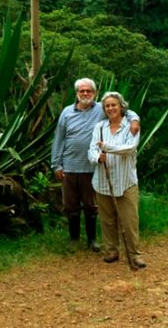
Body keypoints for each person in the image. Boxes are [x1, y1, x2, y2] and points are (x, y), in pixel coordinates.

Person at [51, 79, 140, 252]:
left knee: (91, 206)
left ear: (95, 93)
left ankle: (92, 240)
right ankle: (74, 239)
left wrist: (135, 120)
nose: (85, 94)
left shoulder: (102, 108)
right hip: (69, 166)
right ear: (76, 93)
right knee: (71, 205)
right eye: (82, 91)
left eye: (89, 91)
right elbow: (59, 138)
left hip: (93, 168)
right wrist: (56, 164)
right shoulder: (67, 112)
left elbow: (125, 111)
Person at [88, 91, 146, 268]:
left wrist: (107, 148)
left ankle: (134, 253)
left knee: (129, 220)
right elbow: (91, 149)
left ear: (121, 106)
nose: (111, 108)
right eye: (107, 106)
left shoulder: (131, 126)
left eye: (114, 105)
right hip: (102, 181)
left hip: (126, 180)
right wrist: (98, 157)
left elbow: (129, 148)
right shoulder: (99, 127)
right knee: (107, 219)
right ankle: (112, 250)